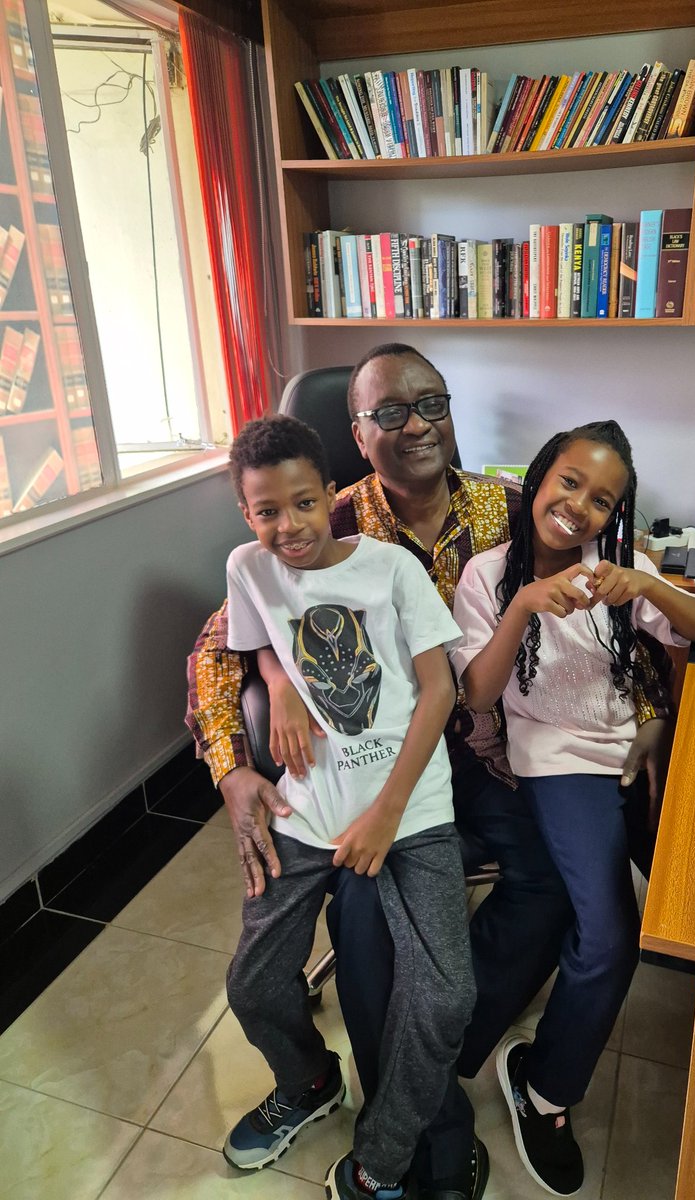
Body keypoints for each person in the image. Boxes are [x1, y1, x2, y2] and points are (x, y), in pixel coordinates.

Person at [185, 344, 675, 1198]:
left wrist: (653, 708)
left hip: (487, 760)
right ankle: (411, 1127)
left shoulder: (511, 506)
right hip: (364, 773)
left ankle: (441, 1055)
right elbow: (216, 651)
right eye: (390, 413)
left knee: (555, 884)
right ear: (356, 432)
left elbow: (611, 615)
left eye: (432, 404)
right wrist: (237, 762)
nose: (416, 426)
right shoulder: (320, 518)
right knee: (371, 926)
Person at [451, 420, 695, 1196]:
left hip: (625, 753)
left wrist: (651, 584)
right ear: (538, 478)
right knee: (610, 939)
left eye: (602, 500)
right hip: (558, 762)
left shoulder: (615, 568)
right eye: (569, 482)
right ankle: (544, 1087)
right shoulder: (489, 574)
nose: (579, 507)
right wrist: (524, 607)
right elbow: (476, 693)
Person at [222, 412, 475, 1200]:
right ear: (246, 513)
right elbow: (258, 634)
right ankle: (309, 1082)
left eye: (303, 504)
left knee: (444, 996)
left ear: (332, 495)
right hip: (307, 813)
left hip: (411, 807)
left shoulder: (392, 568)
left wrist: (389, 813)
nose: (288, 526)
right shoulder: (248, 567)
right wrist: (277, 683)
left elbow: (442, 688)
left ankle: (383, 1158)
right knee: (253, 983)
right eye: (266, 511)